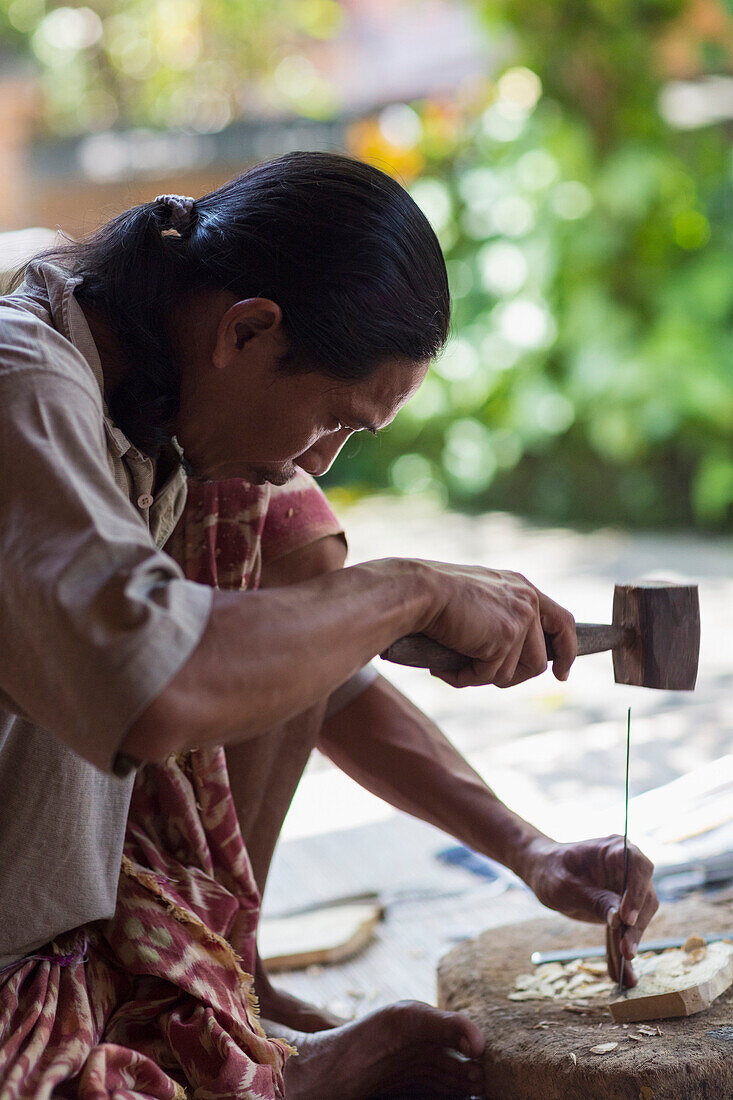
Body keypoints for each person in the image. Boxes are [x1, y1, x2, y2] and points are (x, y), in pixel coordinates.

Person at [0, 152, 657, 1099]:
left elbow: (315, 677)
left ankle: (228, 985)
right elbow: (158, 686)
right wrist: (408, 590)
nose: (317, 459)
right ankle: (265, 1078)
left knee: (278, 522)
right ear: (248, 331)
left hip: (55, 941)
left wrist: (531, 850)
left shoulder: (136, 393)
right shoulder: (23, 386)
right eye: (332, 420)